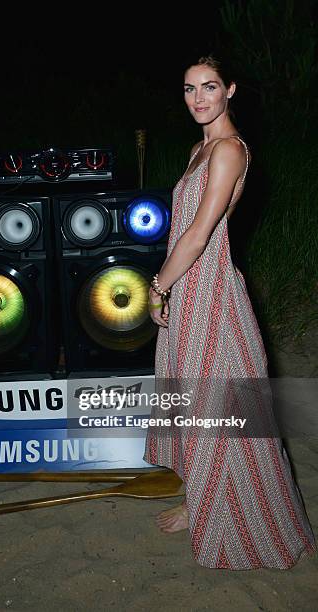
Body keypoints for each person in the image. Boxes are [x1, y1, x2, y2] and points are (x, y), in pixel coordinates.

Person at [143, 55, 316, 570]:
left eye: (210, 87)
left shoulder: (229, 151)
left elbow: (199, 234)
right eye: (190, 88)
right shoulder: (201, 148)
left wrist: (158, 287)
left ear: (230, 90)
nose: (199, 98)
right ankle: (201, 500)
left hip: (210, 293)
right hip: (191, 289)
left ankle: (236, 516)